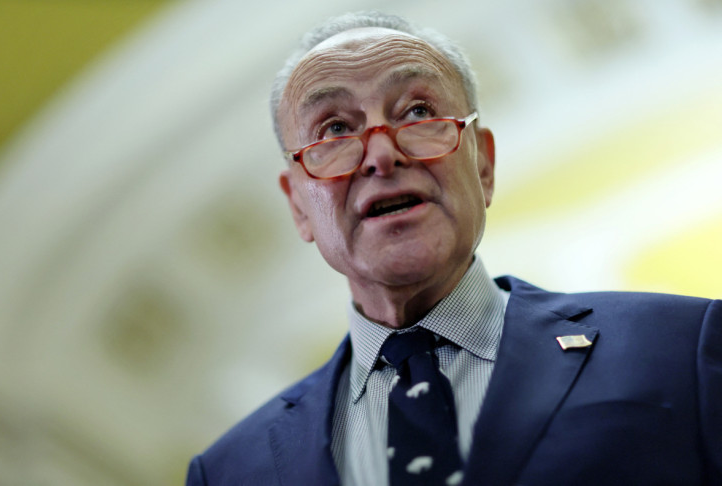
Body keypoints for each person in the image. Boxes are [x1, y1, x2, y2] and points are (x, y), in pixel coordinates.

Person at [186, 11, 722, 486]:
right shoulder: (230, 471)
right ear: (298, 206)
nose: (381, 154)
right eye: (333, 128)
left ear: (483, 164)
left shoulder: (681, 346)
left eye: (417, 112)